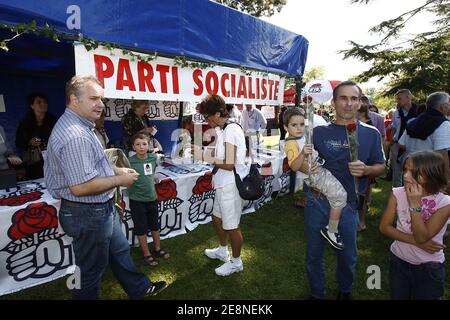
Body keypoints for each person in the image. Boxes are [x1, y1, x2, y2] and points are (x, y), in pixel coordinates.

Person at [44, 75, 166, 300]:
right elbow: (81, 186)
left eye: (101, 98)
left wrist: (117, 171)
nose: (101, 104)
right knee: (89, 271)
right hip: (87, 212)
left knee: (119, 252)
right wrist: (120, 181)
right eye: (93, 98)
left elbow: (92, 164)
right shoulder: (76, 135)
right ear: (74, 99)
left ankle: (139, 289)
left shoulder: (81, 126)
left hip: (99, 209)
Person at [299, 81, 385, 300]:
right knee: (313, 254)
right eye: (343, 98)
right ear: (334, 102)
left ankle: (345, 291)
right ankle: (317, 293)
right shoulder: (318, 132)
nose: (349, 103)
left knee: (347, 255)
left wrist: (366, 169)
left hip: (348, 204)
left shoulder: (371, 133)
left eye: (354, 98)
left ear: (360, 102)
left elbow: (382, 166)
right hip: (317, 201)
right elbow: (300, 164)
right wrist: (307, 166)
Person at [379, 151, 450, 299]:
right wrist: (418, 243)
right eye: (405, 169)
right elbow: (384, 227)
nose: (405, 176)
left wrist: (414, 205)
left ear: (431, 175)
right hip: (398, 260)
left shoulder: (445, 203)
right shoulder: (397, 193)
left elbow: (422, 236)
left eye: (413, 172)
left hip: (428, 267)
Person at [193, 94, 249, 276]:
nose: (206, 121)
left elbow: (229, 162)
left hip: (230, 185)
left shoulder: (231, 129)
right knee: (217, 219)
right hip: (222, 183)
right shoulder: (222, 129)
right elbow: (220, 154)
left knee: (232, 225)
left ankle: (236, 262)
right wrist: (203, 151)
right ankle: (222, 251)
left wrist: (203, 157)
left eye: (207, 117)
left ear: (217, 114)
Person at [283, 108, 346, 250]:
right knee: (341, 196)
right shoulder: (290, 143)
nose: (299, 128)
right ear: (286, 127)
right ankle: (332, 230)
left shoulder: (300, 138)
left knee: (337, 194)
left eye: (301, 124)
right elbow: (294, 166)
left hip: (318, 171)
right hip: (314, 176)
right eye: (294, 125)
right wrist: (303, 153)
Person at [128, 133, 170, 268]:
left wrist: (153, 177)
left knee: (155, 225)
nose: (141, 147)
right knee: (141, 228)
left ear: (149, 145)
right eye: (138, 144)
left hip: (152, 198)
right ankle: (146, 254)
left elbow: (150, 172)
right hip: (137, 200)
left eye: (144, 144)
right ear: (133, 147)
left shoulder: (153, 158)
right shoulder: (130, 162)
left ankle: (157, 248)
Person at [398, 92, 450, 166]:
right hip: (430, 170)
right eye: (448, 105)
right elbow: (442, 154)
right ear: (442, 107)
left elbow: (401, 144)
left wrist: (416, 148)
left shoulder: (413, 122)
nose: (449, 107)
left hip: (411, 168)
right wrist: (447, 176)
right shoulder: (443, 124)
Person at [15, 92, 57, 179]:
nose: (43, 104)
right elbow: (19, 142)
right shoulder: (25, 123)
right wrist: (29, 142)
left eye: (45, 102)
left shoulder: (54, 121)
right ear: (32, 106)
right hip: (34, 162)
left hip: (52, 160)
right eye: (39, 102)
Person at [391, 89, 418, 187]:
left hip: (412, 146)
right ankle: (397, 194)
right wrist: (392, 142)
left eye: (399, 98)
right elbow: (394, 127)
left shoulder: (418, 112)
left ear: (408, 97)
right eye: (397, 99)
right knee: (397, 172)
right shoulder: (396, 113)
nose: (397, 101)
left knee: (412, 171)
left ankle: (412, 192)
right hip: (397, 145)